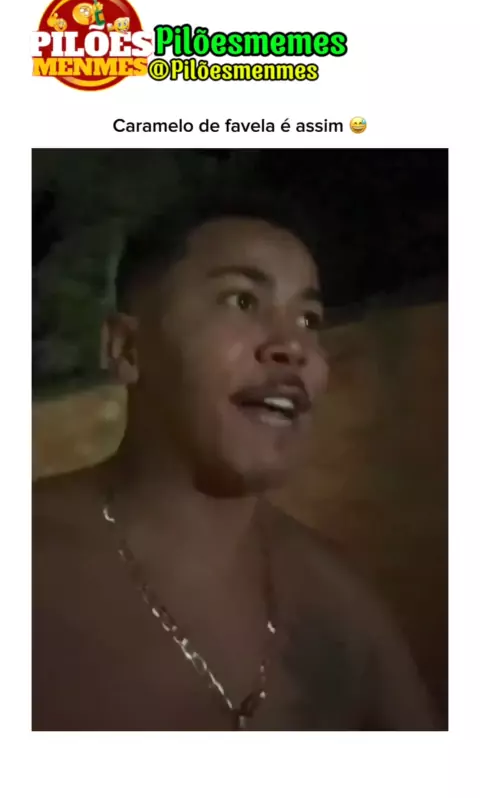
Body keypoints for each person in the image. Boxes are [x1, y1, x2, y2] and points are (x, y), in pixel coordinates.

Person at [33, 195, 440, 731]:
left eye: (309, 318)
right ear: (127, 348)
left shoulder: (339, 606)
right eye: (243, 301)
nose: (293, 346)